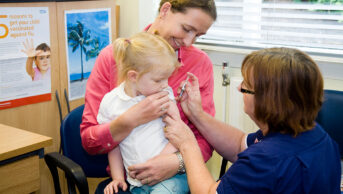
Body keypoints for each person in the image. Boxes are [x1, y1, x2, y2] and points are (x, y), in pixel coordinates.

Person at [80, 0, 217, 193]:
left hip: (176, 177)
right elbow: (90, 141)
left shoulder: (200, 64)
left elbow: (205, 137)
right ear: (165, 10)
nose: (188, 42)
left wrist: (174, 162)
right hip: (128, 181)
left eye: (198, 35)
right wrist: (129, 120)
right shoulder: (112, 58)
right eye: (187, 29)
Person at [163, 47, 341, 194]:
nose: (240, 88)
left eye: (246, 84)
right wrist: (197, 114)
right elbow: (241, 143)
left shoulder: (264, 161)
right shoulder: (316, 135)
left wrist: (188, 144)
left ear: (267, 101)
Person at [97, 32, 188, 194]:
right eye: (158, 80)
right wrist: (118, 178)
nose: (165, 85)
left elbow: (179, 133)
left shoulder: (164, 95)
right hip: (137, 184)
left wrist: (158, 162)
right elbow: (113, 145)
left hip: (172, 177)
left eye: (167, 78)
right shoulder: (110, 103)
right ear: (133, 76)